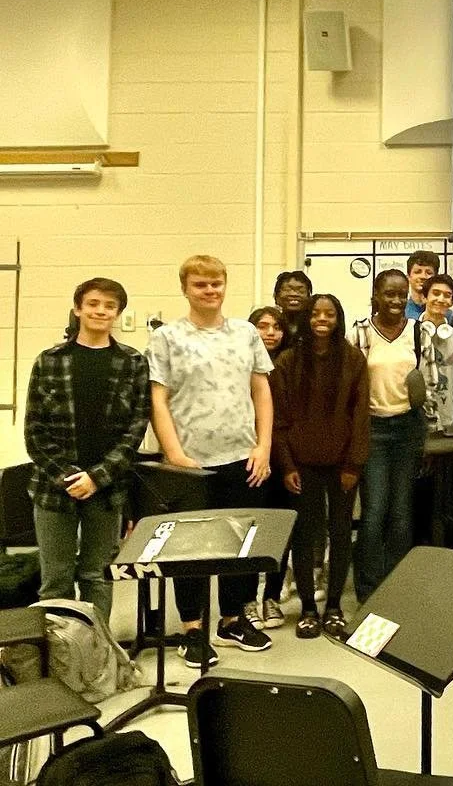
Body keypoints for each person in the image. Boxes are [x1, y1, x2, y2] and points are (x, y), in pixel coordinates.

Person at [148, 255, 275, 667]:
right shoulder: (167, 338)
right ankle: (193, 629)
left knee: (239, 543)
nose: (210, 291)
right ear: (185, 288)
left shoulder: (245, 333)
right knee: (192, 548)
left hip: (242, 455)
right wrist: (174, 454)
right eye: (201, 284)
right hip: (190, 462)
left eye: (217, 283)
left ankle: (232, 620)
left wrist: (263, 446)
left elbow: (261, 391)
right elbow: (158, 400)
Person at [25, 277, 149, 623]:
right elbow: (34, 432)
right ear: (78, 308)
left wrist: (95, 478)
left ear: (118, 313)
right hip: (53, 489)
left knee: (97, 577)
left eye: (110, 306)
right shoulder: (49, 361)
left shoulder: (133, 363)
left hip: (107, 489)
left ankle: (98, 656)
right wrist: (69, 477)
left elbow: (135, 430)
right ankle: (59, 661)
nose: (101, 311)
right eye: (93, 303)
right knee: (55, 581)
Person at [271, 294, 369, 639]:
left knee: (340, 533)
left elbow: (360, 416)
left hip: (342, 463)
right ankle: (308, 610)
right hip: (301, 464)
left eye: (329, 314)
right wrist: (286, 465)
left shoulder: (353, 359)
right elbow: (279, 420)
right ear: (307, 319)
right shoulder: (287, 361)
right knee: (304, 534)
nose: (322, 319)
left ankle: (334, 608)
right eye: (316, 313)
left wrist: (353, 465)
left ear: (338, 319)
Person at [349, 268, 423, 602]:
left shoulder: (418, 332)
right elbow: (351, 385)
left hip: (407, 429)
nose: (395, 300)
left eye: (401, 294)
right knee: (375, 511)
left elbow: (430, 385)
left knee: (401, 513)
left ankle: (398, 587)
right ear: (376, 296)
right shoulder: (360, 332)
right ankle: (368, 590)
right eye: (389, 294)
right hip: (373, 430)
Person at [246, 304, 293, 630]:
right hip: (249, 456)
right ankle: (246, 599)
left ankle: (272, 597)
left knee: (279, 530)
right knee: (249, 531)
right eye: (263, 326)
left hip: (285, 458)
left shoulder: (291, 365)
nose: (270, 332)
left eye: (276, 326)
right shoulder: (240, 364)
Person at [414, 274, 453, 434]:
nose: (441, 299)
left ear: (452, 302)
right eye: (436, 293)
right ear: (424, 297)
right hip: (416, 423)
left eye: (447, 296)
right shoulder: (410, 335)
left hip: (451, 423)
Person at [402, 250, 443, 321]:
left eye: (429, 272)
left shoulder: (447, 314)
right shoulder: (400, 313)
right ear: (408, 277)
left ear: (436, 278)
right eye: (417, 272)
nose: (423, 276)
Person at [272, 271, 312, 343]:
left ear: (309, 297)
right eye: (287, 290)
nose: (294, 294)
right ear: (276, 296)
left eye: (301, 291)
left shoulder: (314, 325)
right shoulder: (267, 323)